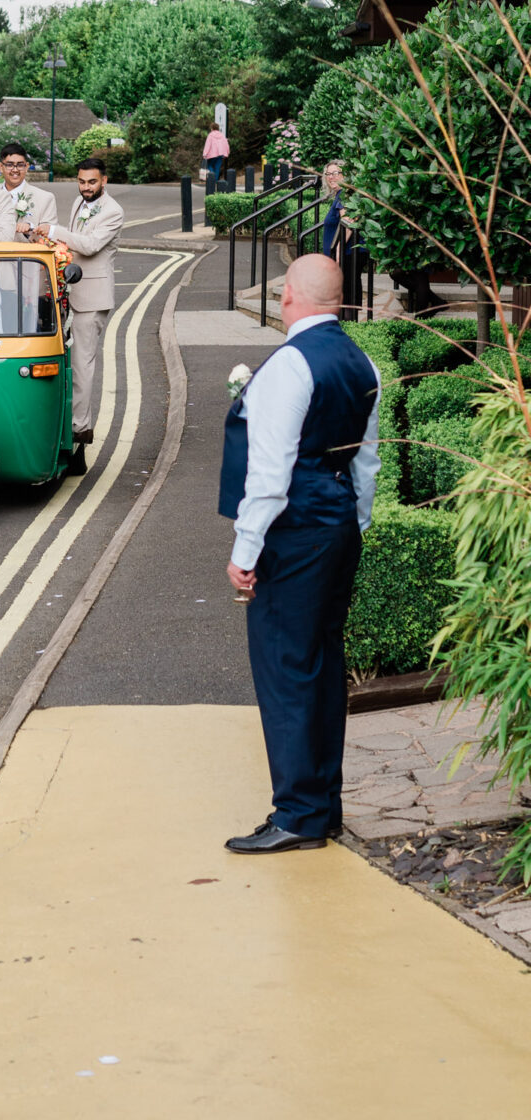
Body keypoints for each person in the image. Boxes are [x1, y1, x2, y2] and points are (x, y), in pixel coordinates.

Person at [219, 253, 381, 854]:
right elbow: (366, 460)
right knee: (321, 663)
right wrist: (353, 525)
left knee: (287, 668)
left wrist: (245, 548)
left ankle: (299, 816)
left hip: (294, 532)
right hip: (335, 525)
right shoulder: (361, 360)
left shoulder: (290, 363)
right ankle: (322, 806)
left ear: (290, 296)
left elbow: (270, 472)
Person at [34, 157, 124, 450]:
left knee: (82, 363)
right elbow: (70, 246)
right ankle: (64, 420)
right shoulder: (77, 202)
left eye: (92, 182)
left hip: (93, 297)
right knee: (63, 362)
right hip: (69, 292)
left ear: (104, 181)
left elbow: (88, 245)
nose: (86, 188)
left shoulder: (113, 211)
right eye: (82, 182)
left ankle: (79, 428)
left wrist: (52, 231)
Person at [0, 143, 58, 239]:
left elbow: (51, 237)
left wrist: (30, 229)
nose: (15, 170)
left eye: (20, 165)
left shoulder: (45, 198)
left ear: (27, 167)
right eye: (9, 165)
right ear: (0, 167)